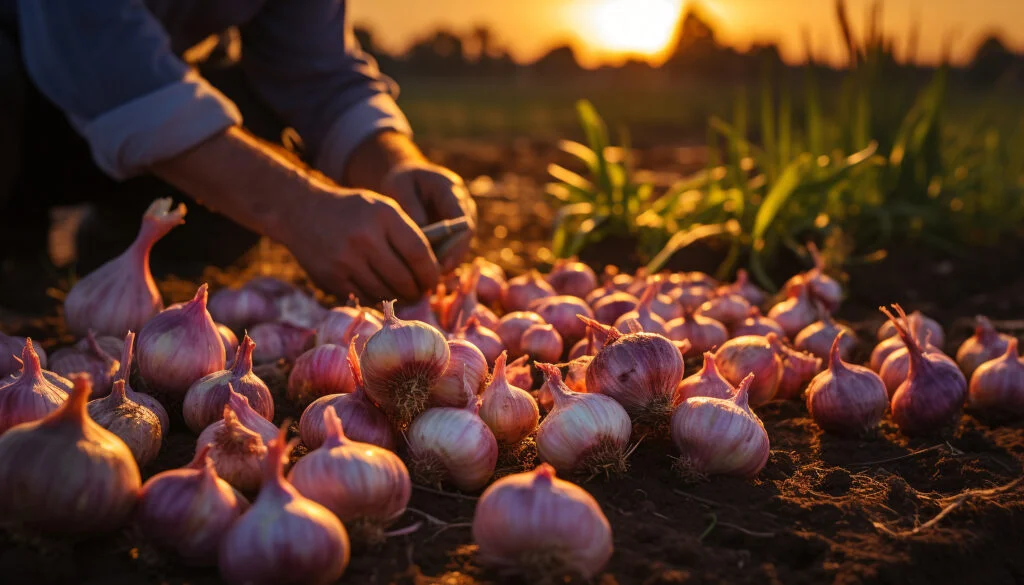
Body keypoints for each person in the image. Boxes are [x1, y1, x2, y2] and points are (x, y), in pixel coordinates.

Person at [0, 0, 476, 307]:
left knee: (256, 125)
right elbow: (101, 56)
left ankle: (123, 247)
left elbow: (318, 72)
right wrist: (301, 208)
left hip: (154, 109)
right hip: (28, 91)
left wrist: (395, 164)